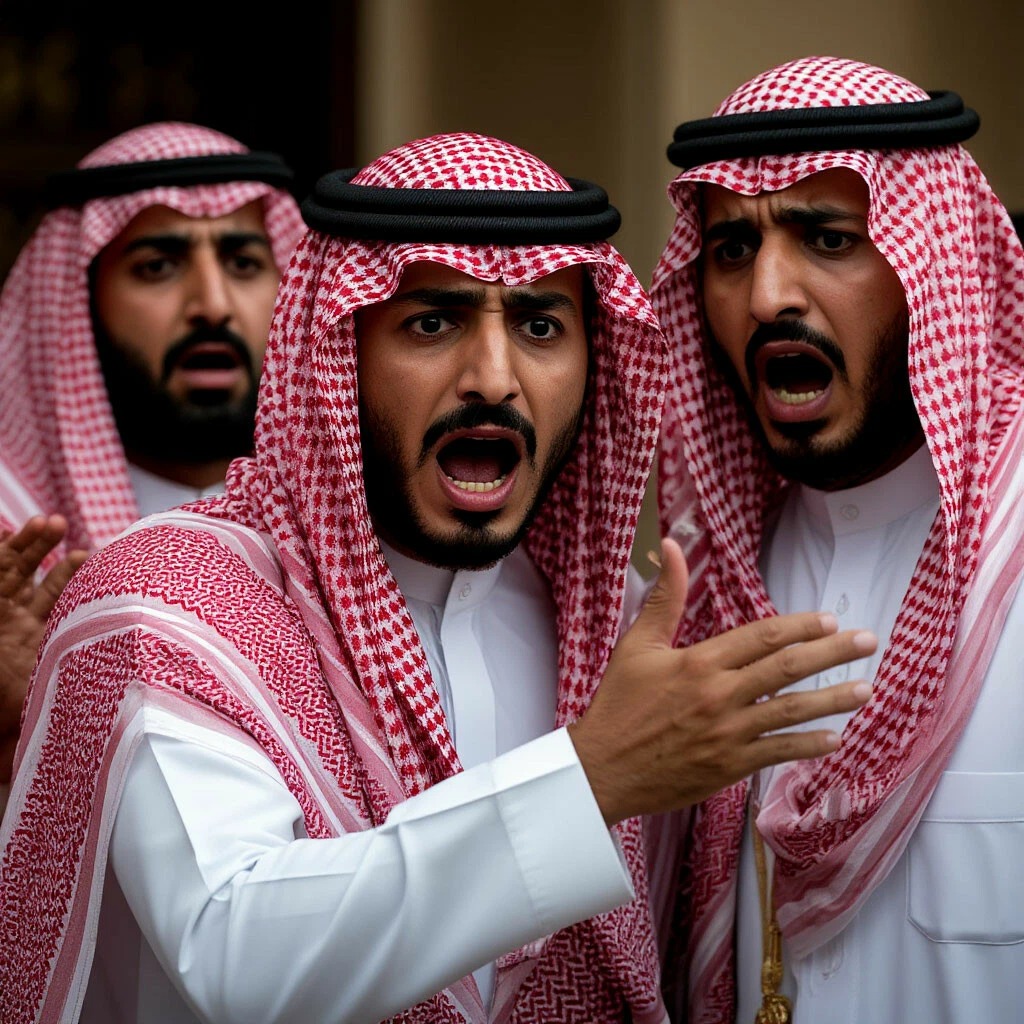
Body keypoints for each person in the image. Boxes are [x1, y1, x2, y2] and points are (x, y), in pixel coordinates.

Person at [0, 132, 874, 1024]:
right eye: (432, 323)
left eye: (540, 326)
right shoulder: (169, 604)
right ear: (338, 355)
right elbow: (232, 951)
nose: (492, 380)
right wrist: (590, 781)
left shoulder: (615, 639)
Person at [651, 55, 1024, 1024]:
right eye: (731, 248)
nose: (767, 294)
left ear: (930, 266)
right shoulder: (698, 598)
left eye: (827, 239)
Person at [0, 121, 305, 812]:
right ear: (77, 305)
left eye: (244, 262)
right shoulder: (13, 550)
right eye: (158, 266)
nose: (212, 305)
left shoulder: (362, 540)